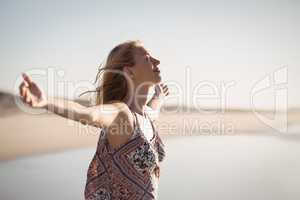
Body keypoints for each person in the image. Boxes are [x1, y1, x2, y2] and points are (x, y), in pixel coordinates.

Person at [18, 40, 169, 200]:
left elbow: (154, 110)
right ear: (129, 71)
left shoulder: (145, 115)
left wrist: (159, 97)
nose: (157, 61)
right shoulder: (121, 114)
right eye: (147, 58)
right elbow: (87, 114)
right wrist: (46, 101)